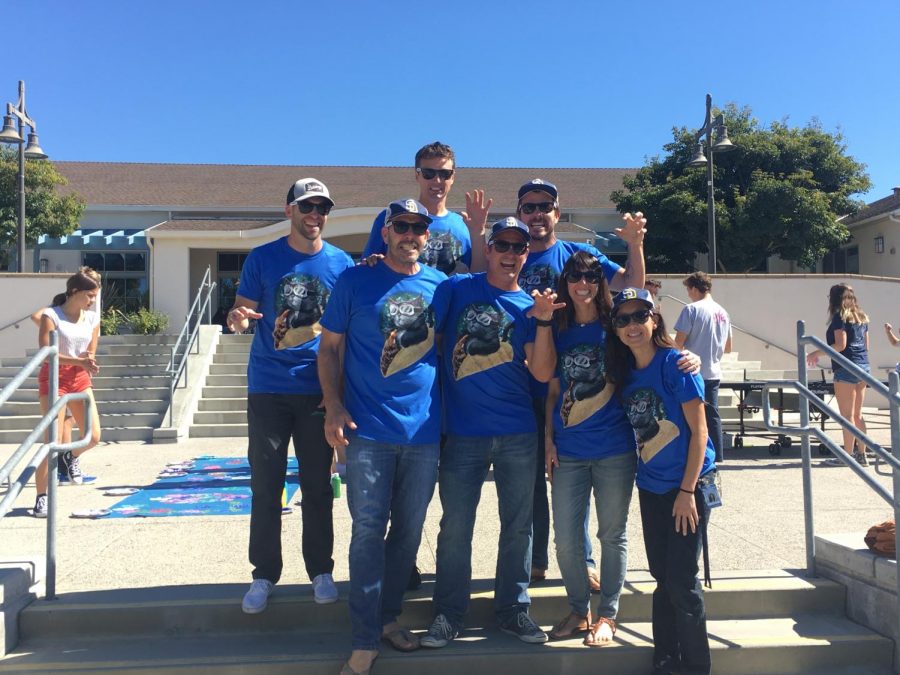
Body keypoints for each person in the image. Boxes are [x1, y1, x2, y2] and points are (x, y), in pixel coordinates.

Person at [319, 198, 449, 675]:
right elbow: (329, 349)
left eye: (419, 227)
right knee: (368, 532)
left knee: (409, 533)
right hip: (366, 430)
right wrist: (332, 406)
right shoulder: (354, 281)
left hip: (424, 432)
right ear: (386, 232)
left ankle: (388, 617)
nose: (410, 234)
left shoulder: (441, 286)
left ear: (426, 236)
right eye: (402, 226)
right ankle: (364, 636)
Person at [420, 217, 560, 649]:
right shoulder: (456, 289)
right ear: (489, 246)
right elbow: (427, 341)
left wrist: (541, 322)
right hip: (463, 433)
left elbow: (541, 371)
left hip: (519, 432)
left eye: (519, 247)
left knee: (518, 527)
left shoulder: (530, 306)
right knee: (456, 527)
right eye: (503, 245)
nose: (511, 254)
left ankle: (513, 610)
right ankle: (449, 613)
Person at [229, 178, 354, 615]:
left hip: (318, 390)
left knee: (319, 486)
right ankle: (263, 574)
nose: (315, 215)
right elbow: (241, 311)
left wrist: (338, 393)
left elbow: (345, 330)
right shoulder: (263, 258)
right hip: (268, 388)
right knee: (266, 486)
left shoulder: (340, 263)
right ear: (290, 211)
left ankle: (321, 569)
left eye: (322, 208)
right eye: (307, 206)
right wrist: (238, 318)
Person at [514, 178, 647, 586]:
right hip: (523, 386)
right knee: (533, 478)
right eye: (529, 206)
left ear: (557, 212)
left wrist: (636, 244)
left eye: (545, 205)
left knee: (572, 473)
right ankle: (536, 560)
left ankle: (585, 561)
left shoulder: (579, 257)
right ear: (520, 213)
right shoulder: (509, 253)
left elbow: (630, 285)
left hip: (572, 386)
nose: (537, 213)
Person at [606, 287, 716, 675]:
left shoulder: (676, 364)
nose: (633, 325)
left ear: (655, 320)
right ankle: (666, 658)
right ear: (616, 328)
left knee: (683, 581)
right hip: (651, 487)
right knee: (661, 577)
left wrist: (687, 491)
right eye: (624, 319)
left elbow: (700, 433)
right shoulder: (624, 374)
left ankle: (698, 665)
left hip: (686, 487)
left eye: (640, 316)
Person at [33, 269, 103, 517]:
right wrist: (79, 361)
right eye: (89, 295)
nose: (92, 301)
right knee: (52, 442)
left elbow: (90, 351)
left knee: (93, 436)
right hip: (54, 379)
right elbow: (46, 351)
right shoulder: (52, 316)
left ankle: (70, 457)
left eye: (95, 296)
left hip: (80, 378)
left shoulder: (92, 319)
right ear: (74, 292)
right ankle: (42, 497)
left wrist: (89, 361)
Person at [362, 141, 484, 275]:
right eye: (428, 173)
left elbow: (478, 277)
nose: (437, 180)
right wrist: (374, 261)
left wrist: (479, 233)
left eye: (444, 174)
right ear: (417, 175)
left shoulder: (467, 225)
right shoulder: (391, 218)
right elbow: (369, 265)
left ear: (453, 177)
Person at [807, 283, 872, 467]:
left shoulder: (839, 317)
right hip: (863, 367)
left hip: (845, 367)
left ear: (834, 299)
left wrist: (815, 353)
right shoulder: (862, 317)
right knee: (858, 415)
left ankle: (847, 456)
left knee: (847, 416)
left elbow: (840, 345)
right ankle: (862, 454)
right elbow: (866, 347)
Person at [674, 272, 732, 463]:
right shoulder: (723, 312)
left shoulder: (691, 309)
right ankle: (716, 456)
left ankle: (694, 455)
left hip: (692, 370)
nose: (688, 294)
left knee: (689, 416)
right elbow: (728, 346)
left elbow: (678, 343)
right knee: (712, 414)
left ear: (694, 288)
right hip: (714, 370)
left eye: (688, 290)